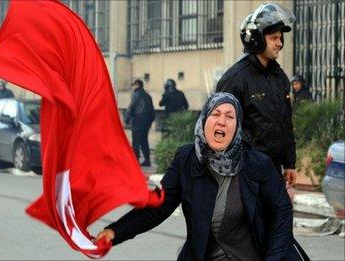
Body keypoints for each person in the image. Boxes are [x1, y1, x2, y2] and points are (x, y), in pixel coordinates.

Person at [97, 93, 309, 261]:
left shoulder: (258, 163)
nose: (222, 121)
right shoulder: (186, 159)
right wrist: (115, 231)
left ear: (237, 127)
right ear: (204, 120)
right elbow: (159, 206)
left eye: (230, 116)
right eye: (215, 114)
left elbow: (281, 212)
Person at [216, 3, 298, 184]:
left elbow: (285, 122)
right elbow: (220, 128)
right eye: (274, 38)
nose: (279, 43)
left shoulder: (279, 76)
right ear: (257, 39)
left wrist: (289, 162)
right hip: (246, 170)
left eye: (280, 38)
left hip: (273, 169)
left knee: (281, 212)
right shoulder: (235, 78)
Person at [125, 79, 155, 167]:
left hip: (138, 119)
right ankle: (147, 160)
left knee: (136, 141)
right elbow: (152, 111)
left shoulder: (135, 94)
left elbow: (131, 107)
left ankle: (135, 161)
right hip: (147, 120)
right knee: (144, 140)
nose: (133, 86)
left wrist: (127, 118)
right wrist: (150, 121)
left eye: (134, 85)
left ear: (137, 85)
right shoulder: (148, 96)